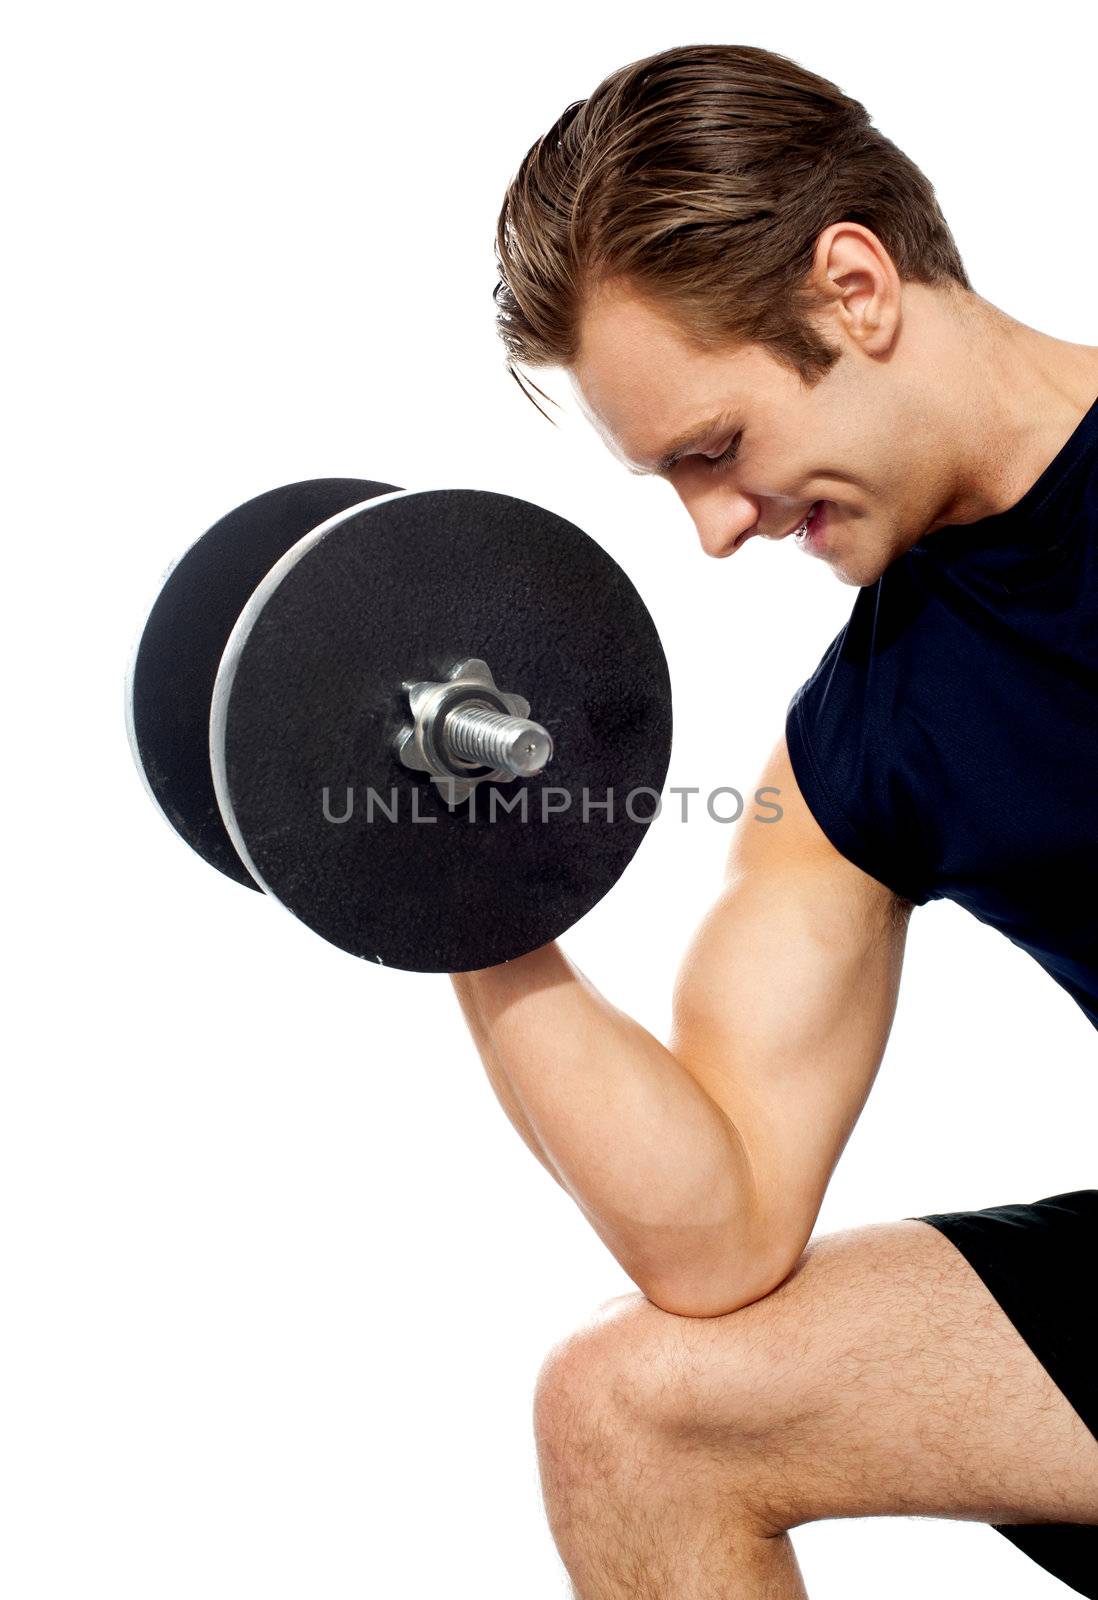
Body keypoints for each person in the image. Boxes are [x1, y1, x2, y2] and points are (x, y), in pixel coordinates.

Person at [452, 43, 1098, 1599]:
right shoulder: (863, 740)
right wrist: (453, 888)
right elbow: (719, 1231)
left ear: (853, 287)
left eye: (714, 450)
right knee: (629, 1416)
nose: (714, 531)